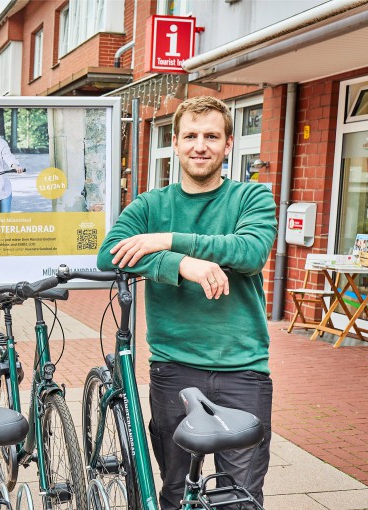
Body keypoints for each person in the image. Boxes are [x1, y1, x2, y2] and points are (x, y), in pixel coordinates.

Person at [97, 96, 277, 509]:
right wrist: (182, 265)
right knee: (176, 493)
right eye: (191, 136)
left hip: (243, 369)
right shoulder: (150, 205)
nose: (201, 146)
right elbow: (109, 254)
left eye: (212, 136)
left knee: (239, 498)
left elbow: (249, 252)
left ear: (228, 144)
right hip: (173, 368)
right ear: (176, 143)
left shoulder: (251, 199)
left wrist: (168, 241)